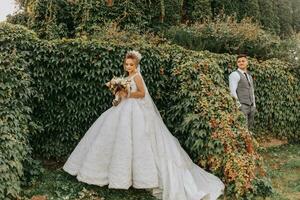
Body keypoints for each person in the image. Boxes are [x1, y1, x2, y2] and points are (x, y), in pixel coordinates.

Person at [63, 50, 224, 200]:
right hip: (123, 109)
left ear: (136, 65)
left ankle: (139, 178)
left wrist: (127, 93)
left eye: (131, 65)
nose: (128, 67)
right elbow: (122, 95)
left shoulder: (137, 77)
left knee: (136, 141)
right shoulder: (125, 78)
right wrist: (118, 96)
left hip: (135, 111)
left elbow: (142, 94)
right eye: (126, 64)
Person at [229, 54, 256, 130]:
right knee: (243, 129)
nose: (241, 63)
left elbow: (252, 90)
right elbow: (232, 91)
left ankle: (249, 141)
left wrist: (254, 105)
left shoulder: (249, 76)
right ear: (237, 63)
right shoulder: (234, 74)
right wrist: (238, 106)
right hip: (242, 106)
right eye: (239, 61)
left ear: (247, 62)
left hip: (251, 106)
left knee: (250, 128)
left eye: (243, 61)